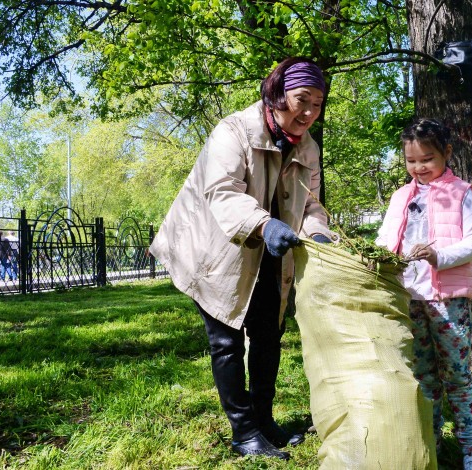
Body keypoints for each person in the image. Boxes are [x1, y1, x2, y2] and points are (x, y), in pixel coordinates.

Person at [149, 57, 336, 461]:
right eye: (302, 100)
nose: (309, 112)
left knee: (269, 334)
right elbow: (222, 191)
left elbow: (311, 205)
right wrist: (265, 225)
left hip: (271, 250)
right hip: (214, 247)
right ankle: (244, 432)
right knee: (227, 340)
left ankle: (264, 420)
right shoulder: (233, 131)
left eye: (318, 104)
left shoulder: (308, 147)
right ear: (278, 94)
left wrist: (318, 232)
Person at [375, 118, 472, 470]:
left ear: (446, 153)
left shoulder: (461, 193)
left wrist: (439, 256)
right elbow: (385, 239)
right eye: (411, 160)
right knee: (423, 376)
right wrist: (378, 257)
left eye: (427, 159)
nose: (419, 167)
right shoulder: (400, 196)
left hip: (448, 300)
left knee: (457, 375)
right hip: (409, 298)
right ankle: (430, 443)